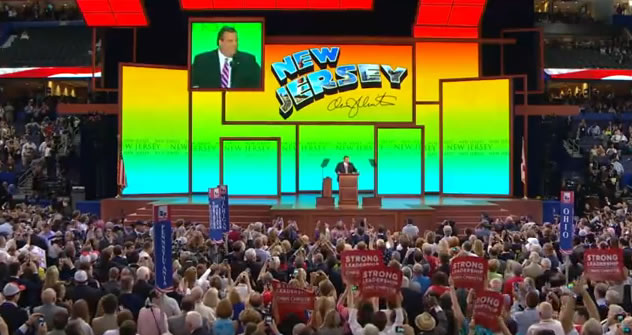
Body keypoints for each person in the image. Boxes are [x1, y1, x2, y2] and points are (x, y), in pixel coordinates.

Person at [191, 25, 261, 89]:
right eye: (230, 41)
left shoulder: (248, 61)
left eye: (236, 41)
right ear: (220, 42)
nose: (235, 44)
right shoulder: (202, 61)